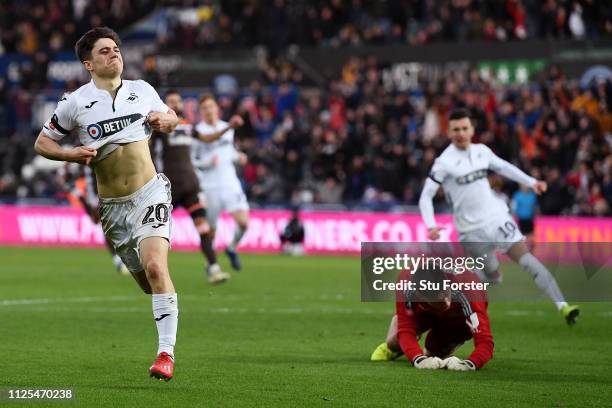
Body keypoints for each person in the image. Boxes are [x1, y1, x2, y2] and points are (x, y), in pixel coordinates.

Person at [34, 27, 180, 381]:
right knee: (148, 283)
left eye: (116, 48)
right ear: (88, 63)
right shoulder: (74, 103)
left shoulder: (142, 90)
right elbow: (42, 143)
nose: (113, 54)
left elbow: (172, 118)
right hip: (113, 208)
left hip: (150, 193)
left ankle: (165, 354)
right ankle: (166, 305)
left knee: (157, 269)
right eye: (104, 51)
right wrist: (71, 155)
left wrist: (167, 120)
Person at [418, 108, 579, 325]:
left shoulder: (482, 151)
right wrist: (430, 225)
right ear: (448, 132)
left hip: (497, 219)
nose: (461, 133)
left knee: (528, 260)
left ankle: (564, 307)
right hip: (470, 230)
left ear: (472, 129)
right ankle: (476, 282)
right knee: (491, 276)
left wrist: (532, 182)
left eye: (465, 128)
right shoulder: (443, 162)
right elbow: (425, 197)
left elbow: (505, 168)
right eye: (456, 129)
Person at [151, 90, 229, 284]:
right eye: (171, 101)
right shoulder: (157, 128)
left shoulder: (186, 126)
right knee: (156, 231)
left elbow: (207, 138)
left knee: (203, 227)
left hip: (190, 186)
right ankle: (150, 267)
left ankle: (213, 268)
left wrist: (228, 128)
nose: (175, 105)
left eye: (178, 101)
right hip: (167, 189)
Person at [370, 267, 494, 371]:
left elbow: (485, 341)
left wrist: (469, 364)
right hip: (423, 311)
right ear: (419, 294)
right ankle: (392, 346)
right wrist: (418, 359)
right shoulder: (406, 283)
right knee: (395, 342)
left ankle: (433, 346)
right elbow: (406, 328)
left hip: (458, 316)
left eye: (446, 293)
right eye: (439, 300)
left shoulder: (469, 289)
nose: (447, 302)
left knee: (434, 353)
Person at [193, 95, 249, 272]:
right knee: (211, 230)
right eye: (205, 108)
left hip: (230, 182)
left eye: (211, 106)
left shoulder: (227, 128)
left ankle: (231, 248)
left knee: (244, 222)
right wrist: (207, 163)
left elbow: (228, 151)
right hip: (209, 186)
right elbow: (192, 160)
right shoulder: (197, 132)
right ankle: (211, 262)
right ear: (201, 112)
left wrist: (237, 156)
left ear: (217, 108)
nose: (209, 110)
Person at [68, 165, 129, 275]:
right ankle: (120, 260)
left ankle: (122, 259)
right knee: (102, 223)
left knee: (104, 222)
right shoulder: (87, 165)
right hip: (97, 193)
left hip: (105, 189)